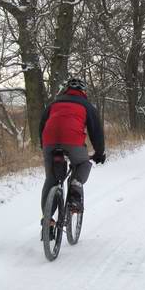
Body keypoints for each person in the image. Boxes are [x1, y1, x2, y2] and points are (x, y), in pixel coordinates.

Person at [39, 77, 106, 238]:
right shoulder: (87, 106)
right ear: (83, 91)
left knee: (51, 178)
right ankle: (75, 189)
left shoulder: (53, 104)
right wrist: (99, 153)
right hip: (72, 141)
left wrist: (44, 146)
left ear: (65, 90)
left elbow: (42, 125)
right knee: (82, 163)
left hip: (49, 141)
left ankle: (48, 221)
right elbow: (96, 132)